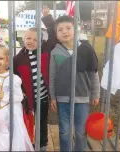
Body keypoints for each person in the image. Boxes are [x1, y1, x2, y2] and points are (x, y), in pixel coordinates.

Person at [49, 16, 100, 151]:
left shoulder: (86, 49)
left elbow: (93, 73)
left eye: (68, 28)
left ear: (75, 30)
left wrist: (95, 93)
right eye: (60, 30)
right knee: (64, 131)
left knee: (80, 131)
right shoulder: (55, 52)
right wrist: (53, 97)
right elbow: (52, 76)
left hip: (82, 98)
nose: (65, 31)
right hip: (62, 99)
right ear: (57, 35)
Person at [13, 6, 56, 151]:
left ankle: (42, 144)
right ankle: (27, 143)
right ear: (24, 39)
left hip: (43, 97)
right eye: (28, 38)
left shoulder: (45, 50)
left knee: (42, 122)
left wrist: (48, 18)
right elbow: (13, 77)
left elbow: (54, 36)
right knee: (27, 123)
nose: (31, 41)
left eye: (35, 39)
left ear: (41, 41)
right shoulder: (18, 59)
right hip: (27, 100)